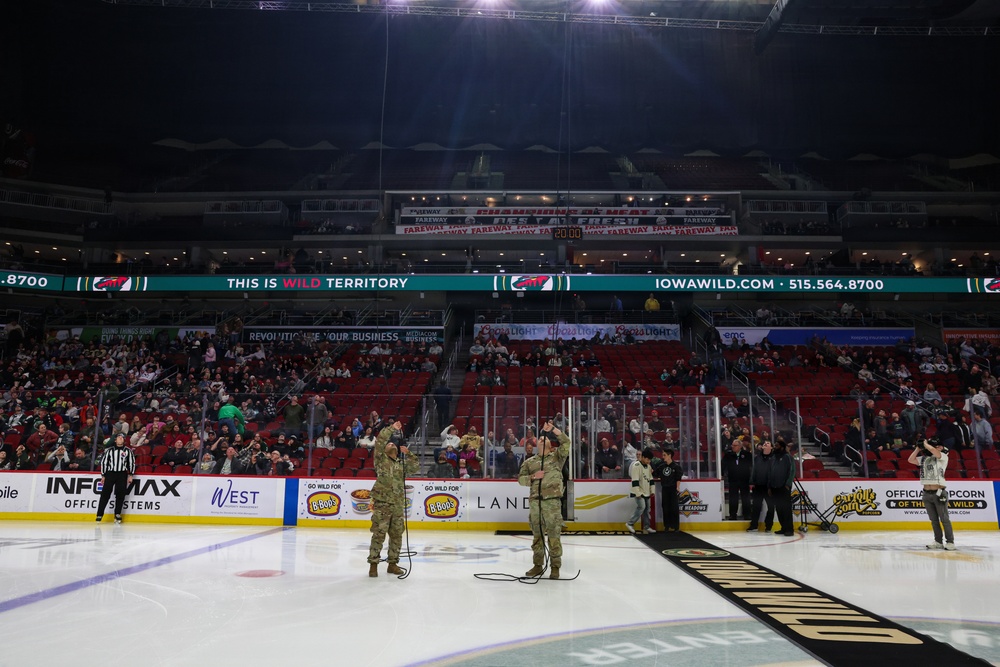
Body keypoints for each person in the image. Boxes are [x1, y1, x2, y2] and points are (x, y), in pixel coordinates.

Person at [517, 420, 570, 579]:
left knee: (554, 535)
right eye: (539, 438)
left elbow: (566, 442)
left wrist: (553, 429)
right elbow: (520, 479)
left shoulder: (557, 457)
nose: (541, 438)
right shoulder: (529, 462)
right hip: (535, 502)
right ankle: (537, 565)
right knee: (537, 536)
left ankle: (555, 567)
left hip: (552, 502)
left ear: (550, 444)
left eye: (544, 438)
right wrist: (533, 477)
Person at [368, 421, 420, 577]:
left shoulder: (401, 464)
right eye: (389, 443)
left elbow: (416, 467)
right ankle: (373, 565)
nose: (390, 444)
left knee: (397, 534)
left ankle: (393, 563)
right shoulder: (380, 460)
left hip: (397, 505)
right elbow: (380, 441)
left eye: (393, 443)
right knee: (379, 534)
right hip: (383, 504)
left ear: (397, 450)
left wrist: (409, 454)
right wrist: (392, 429)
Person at [908, 438, 956, 550]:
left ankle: (950, 541)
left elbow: (935, 452)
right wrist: (918, 448)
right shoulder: (924, 459)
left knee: (944, 519)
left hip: (939, 492)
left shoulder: (943, 457)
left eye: (936, 446)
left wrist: (926, 444)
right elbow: (910, 460)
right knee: (934, 520)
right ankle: (938, 541)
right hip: (926, 493)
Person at [96, 434, 136, 525]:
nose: (120, 438)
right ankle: (99, 514)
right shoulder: (109, 451)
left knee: (120, 494)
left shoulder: (128, 451)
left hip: (122, 474)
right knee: (105, 494)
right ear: (115, 440)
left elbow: (131, 463)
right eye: (119, 437)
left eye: (122, 437)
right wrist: (103, 475)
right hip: (110, 474)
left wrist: (131, 475)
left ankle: (117, 513)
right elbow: (104, 463)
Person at [651, 448, 684, 532]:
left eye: (664, 455)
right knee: (665, 507)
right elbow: (654, 473)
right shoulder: (662, 466)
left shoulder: (676, 466)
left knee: (674, 508)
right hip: (665, 488)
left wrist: (678, 487)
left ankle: (676, 526)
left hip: (673, 489)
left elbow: (678, 478)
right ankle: (667, 526)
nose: (663, 457)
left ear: (669, 456)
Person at [768, 440, 796, 536]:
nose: (775, 447)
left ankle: (789, 529)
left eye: (777, 445)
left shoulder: (787, 457)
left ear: (782, 447)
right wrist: (769, 487)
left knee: (786, 509)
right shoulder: (773, 458)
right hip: (774, 487)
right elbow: (770, 472)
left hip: (784, 487)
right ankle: (783, 527)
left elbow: (792, 471)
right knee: (779, 509)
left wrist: (788, 484)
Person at [746, 440, 775, 532]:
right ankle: (754, 525)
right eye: (764, 443)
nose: (765, 444)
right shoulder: (757, 458)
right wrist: (752, 481)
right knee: (756, 506)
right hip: (758, 485)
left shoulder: (774, 458)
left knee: (771, 507)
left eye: (768, 443)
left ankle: (768, 526)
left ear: (771, 447)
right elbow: (754, 470)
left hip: (769, 487)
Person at [626, 447, 655, 534]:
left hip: (646, 491)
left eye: (649, 460)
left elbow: (651, 479)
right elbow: (634, 480)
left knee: (647, 509)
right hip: (638, 492)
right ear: (642, 457)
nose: (649, 461)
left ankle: (646, 526)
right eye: (647, 459)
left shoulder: (649, 466)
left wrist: (652, 490)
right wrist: (637, 493)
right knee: (641, 507)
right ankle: (630, 523)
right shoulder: (636, 466)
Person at [722, 438, 752, 521]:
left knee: (745, 497)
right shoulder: (728, 455)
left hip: (744, 479)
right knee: (733, 497)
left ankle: (747, 514)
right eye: (732, 445)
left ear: (740, 446)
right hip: (733, 479)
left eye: (735, 445)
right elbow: (723, 465)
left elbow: (752, 465)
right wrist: (722, 474)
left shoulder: (747, 454)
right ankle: (732, 515)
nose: (733, 447)